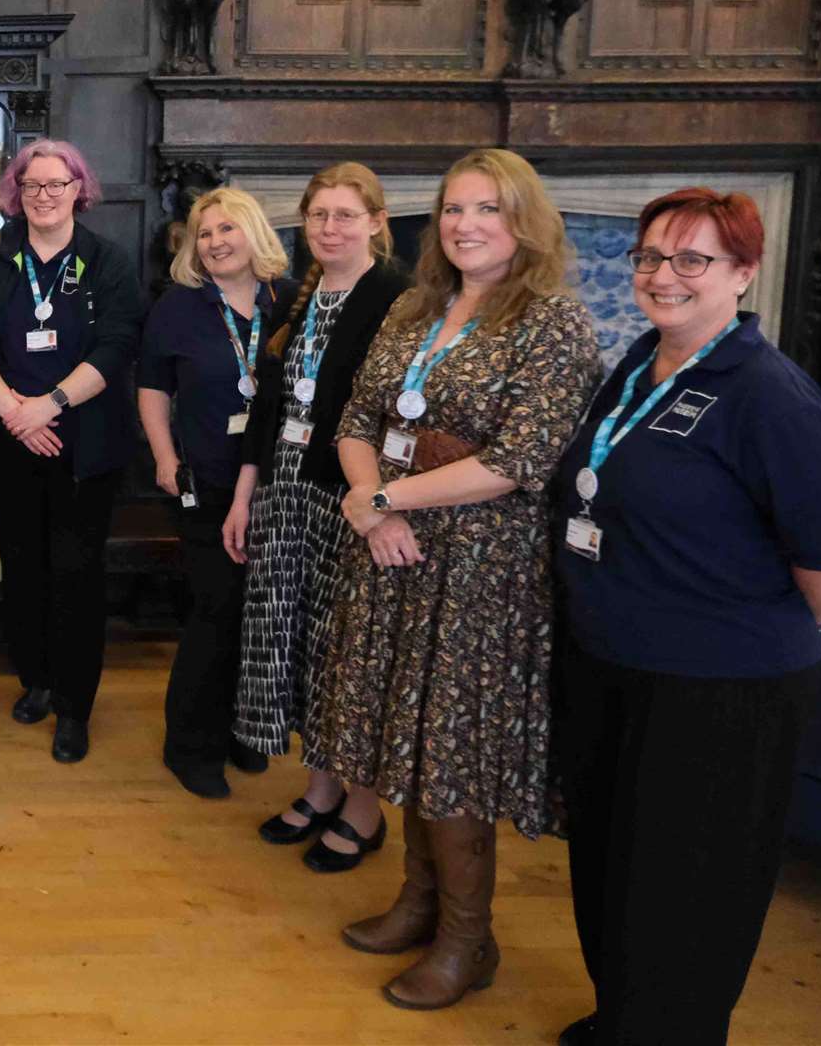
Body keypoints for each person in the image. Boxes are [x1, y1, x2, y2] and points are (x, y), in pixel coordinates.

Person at [550, 188, 821, 1045]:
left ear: (744, 272)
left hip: (719, 690)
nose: (662, 276)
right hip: (614, 666)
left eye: (691, 260)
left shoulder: (770, 395)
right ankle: (626, 1019)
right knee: (614, 868)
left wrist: (722, 624)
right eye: (648, 257)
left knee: (688, 889)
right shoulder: (641, 361)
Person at [316, 148, 600, 1010]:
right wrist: (372, 505)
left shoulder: (551, 324)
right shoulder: (415, 305)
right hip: (392, 552)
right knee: (396, 728)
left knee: (451, 748)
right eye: (453, 209)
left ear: (525, 222)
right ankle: (418, 900)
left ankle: (469, 939)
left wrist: (385, 495)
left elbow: (518, 462)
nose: (466, 225)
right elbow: (359, 415)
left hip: (479, 573)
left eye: (488, 209)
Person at [230, 161, 409, 868]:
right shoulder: (297, 302)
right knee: (297, 647)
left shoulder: (398, 299)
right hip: (284, 492)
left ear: (375, 222)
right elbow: (268, 411)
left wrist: (380, 501)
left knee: (349, 656)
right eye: (318, 216)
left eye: (344, 215)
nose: (330, 228)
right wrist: (246, 495)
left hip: (351, 501)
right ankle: (321, 786)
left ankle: (363, 811)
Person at [0, 138, 142, 764]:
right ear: (16, 193)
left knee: (76, 577)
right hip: (13, 445)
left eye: (57, 185)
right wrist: (15, 411)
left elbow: (115, 349)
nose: (44, 196)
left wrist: (50, 404)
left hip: (85, 450)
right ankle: (35, 679)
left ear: (77, 190)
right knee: (25, 572)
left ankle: (74, 707)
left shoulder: (107, 262)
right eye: (32, 185)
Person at [137, 187, 295, 792]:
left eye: (227, 229)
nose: (216, 242)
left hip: (278, 485)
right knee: (216, 609)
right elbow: (152, 387)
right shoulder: (178, 308)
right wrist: (163, 456)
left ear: (255, 233)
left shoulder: (290, 303)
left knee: (261, 616)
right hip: (203, 481)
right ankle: (190, 744)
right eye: (205, 234)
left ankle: (240, 727)